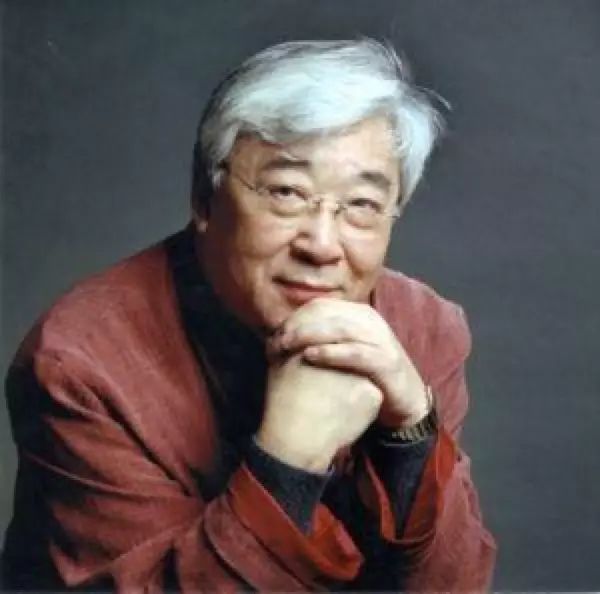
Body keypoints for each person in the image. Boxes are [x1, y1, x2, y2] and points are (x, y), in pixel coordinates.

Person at [2, 39, 496, 592]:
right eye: (287, 192)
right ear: (204, 197)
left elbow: (455, 585)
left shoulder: (423, 328)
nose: (322, 244)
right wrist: (289, 459)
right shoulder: (80, 364)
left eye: (361, 205)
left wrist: (411, 434)